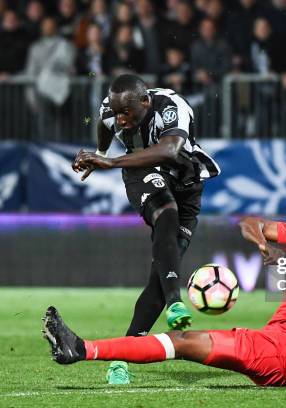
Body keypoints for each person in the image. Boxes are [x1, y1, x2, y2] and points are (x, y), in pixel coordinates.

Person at [42, 207, 286, 387]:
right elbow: (250, 223)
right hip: (269, 343)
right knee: (185, 341)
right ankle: (81, 348)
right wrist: (262, 246)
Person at [71, 74, 220, 384]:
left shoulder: (172, 107)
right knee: (166, 212)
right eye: (116, 112)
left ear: (145, 102)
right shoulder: (112, 111)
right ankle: (175, 302)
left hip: (187, 182)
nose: (121, 118)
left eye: (128, 112)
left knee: (159, 275)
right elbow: (104, 124)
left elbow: (168, 150)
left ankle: (122, 358)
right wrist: (100, 152)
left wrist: (109, 162)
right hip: (141, 171)